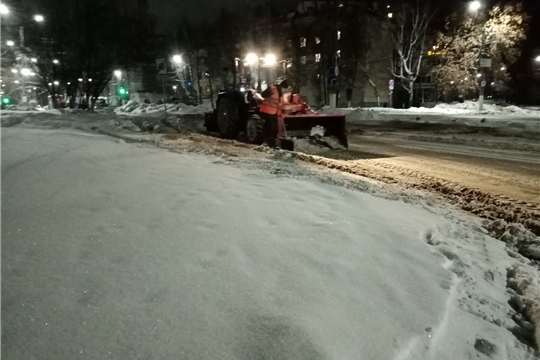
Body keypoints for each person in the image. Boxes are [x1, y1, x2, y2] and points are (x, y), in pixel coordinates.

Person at [253, 76, 289, 147]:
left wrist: (280, 112)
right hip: (266, 111)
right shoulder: (272, 89)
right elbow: (263, 94)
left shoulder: (280, 93)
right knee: (269, 128)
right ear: (279, 84)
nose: (283, 89)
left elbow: (279, 104)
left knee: (274, 129)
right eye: (282, 87)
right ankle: (268, 142)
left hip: (273, 112)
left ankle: (272, 143)